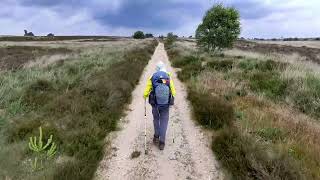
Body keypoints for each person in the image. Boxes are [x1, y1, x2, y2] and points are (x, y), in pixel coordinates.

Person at [143, 61, 176, 150]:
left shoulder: (153, 77)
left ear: (156, 69)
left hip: (155, 104)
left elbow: (145, 92)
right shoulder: (168, 77)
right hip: (165, 104)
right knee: (164, 121)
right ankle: (162, 142)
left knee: (156, 119)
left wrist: (145, 96)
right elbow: (173, 92)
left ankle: (156, 136)